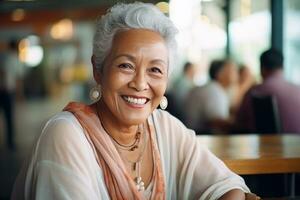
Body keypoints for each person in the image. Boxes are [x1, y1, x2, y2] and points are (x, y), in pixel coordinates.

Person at [12, 3, 257, 199]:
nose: (140, 84)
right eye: (126, 65)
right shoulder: (65, 135)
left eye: (155, 70)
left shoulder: (164, 127)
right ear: (99, 70)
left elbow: (226, 185)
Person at [235, 48, 300, 133]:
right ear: (283, 67)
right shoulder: (297, 89)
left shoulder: (254, 92)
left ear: (262, 68)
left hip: (267, 144)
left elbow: (239, 122)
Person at [184, 59, 238, 134]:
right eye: (232, 70)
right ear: (220, 74)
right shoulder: (214, 91)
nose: (236, 73)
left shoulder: (214, 88)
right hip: (201, 137)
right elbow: (216, 122)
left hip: (198, 135)